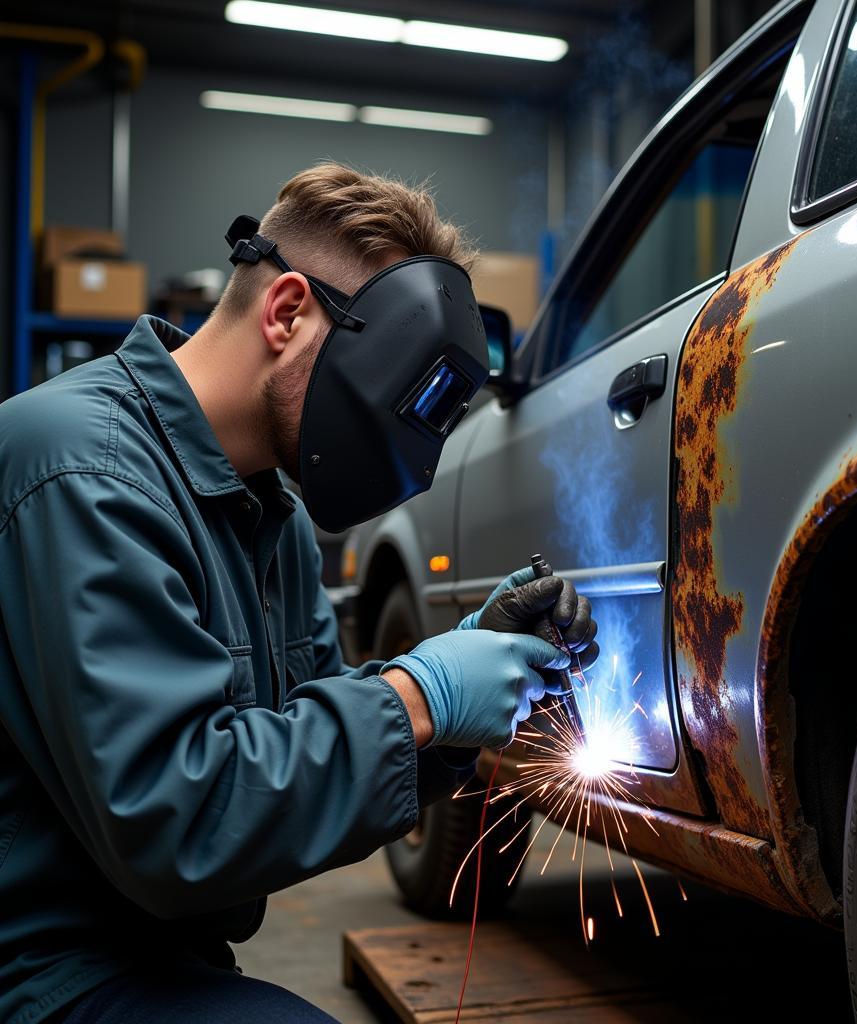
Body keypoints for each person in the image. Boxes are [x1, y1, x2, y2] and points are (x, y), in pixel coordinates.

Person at [0, 163, 598, 1023]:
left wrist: (451, 687)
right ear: (286, 312)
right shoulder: (80, 470)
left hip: (163, 950)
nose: (404, 442)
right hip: (41, 964)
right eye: (401, 392)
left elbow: (296, 751)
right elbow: (176, 819)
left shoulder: (268, 514)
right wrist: (420, 697)